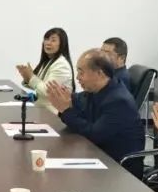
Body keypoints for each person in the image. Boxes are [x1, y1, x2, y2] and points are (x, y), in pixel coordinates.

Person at [46, 49, 145, 177]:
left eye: (81, 72)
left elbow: (94, 134)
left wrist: (66, 110)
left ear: (99, 73)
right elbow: (76, 104)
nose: (77, 77)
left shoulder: (119, 101)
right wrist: (65, 100)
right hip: (97, 156)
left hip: (119, 170)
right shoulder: (95, 91)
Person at [15, 27, 75, 114]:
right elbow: (39, 86)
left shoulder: (61, 65)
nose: (48, 43)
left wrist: (31, 77)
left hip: (55, 113)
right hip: (43, 110)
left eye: (53, 40)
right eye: (46, 39)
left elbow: (48, 91)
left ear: (62, 44)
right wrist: (27, 78)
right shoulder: (48, 61)